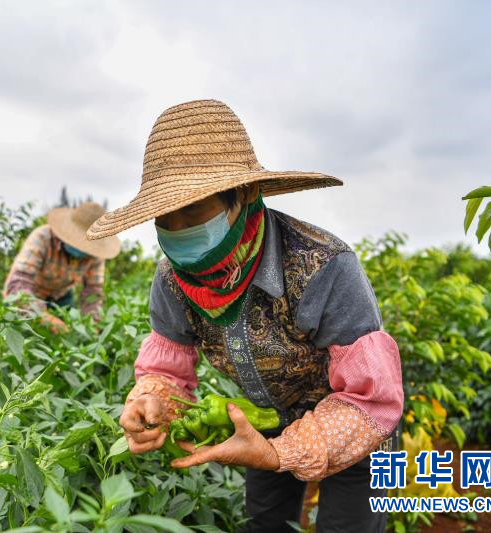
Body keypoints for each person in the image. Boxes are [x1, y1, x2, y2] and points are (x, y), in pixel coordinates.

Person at [87, 100, 404, 532]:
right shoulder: (172, 280)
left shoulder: (323, 265)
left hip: (357, 430)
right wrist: (153, 402)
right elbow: (167, 370)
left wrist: (283, 453)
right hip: (261, 421)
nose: (178, 228)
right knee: (265, 525)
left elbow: (371, 399)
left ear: (244, 194)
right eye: (166, 214)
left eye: (194, 207)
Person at [4, 201, 120, 331]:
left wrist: (93, 324)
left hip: (61, 295)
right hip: (31, 293)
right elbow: (19, 283)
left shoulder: (95, 254)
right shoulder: (42, 238)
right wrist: (42, 316)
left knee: (65, 333)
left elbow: (92, 292)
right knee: (28, 331)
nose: (82, 248)